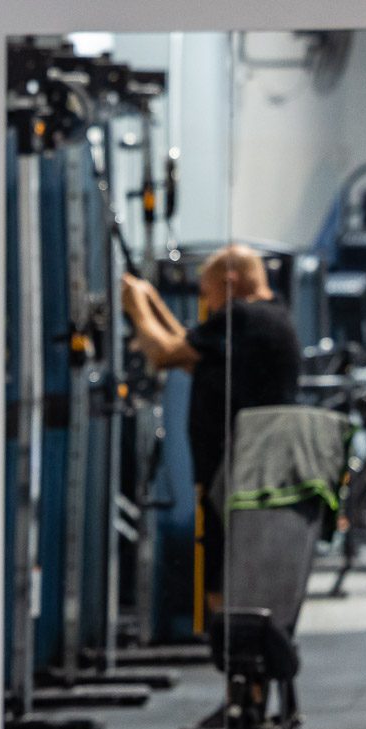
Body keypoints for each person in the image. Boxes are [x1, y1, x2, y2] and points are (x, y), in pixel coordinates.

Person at [120, 243, 302, 617]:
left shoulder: (242, 317)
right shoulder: (269, 317)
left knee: (224, 571)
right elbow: (191, 353)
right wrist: (153, 300)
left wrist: (135, 304)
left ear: (231, 282)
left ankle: (229, 646)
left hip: (234, 470)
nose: (209, 302)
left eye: (208, 292)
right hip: (246, 469)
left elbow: (164, 354)